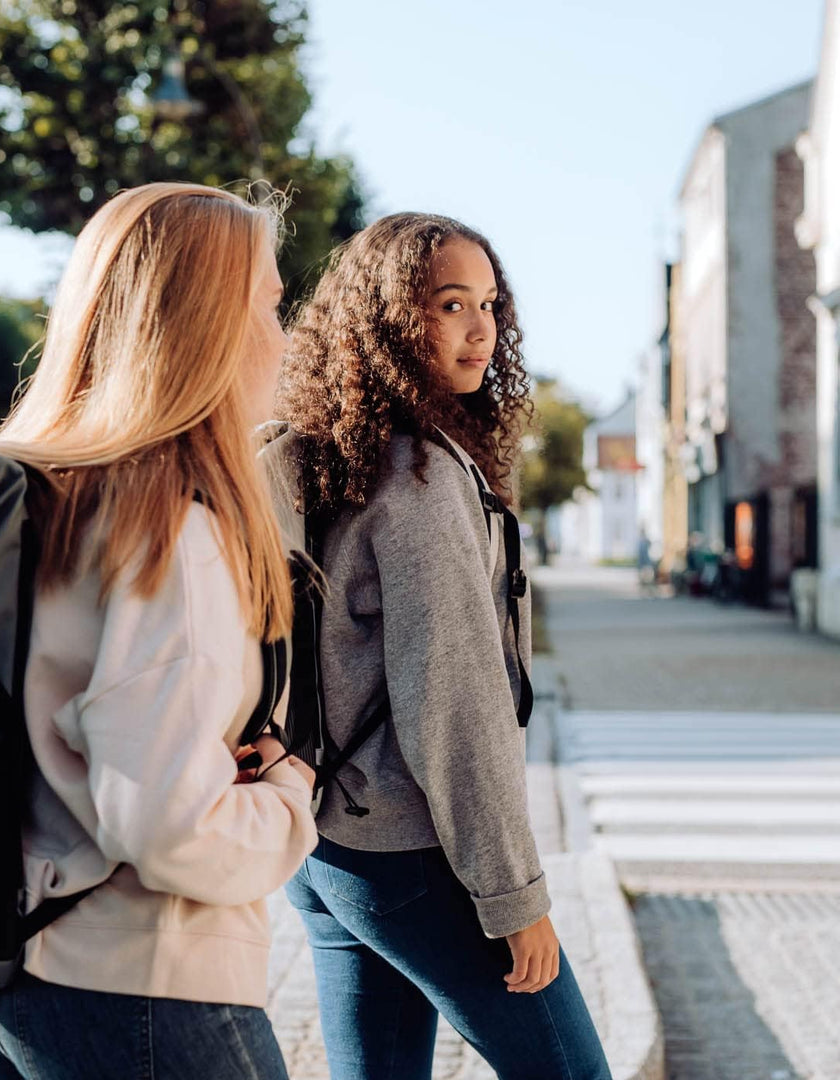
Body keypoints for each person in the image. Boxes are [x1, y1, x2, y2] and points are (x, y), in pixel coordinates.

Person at [0, 183, 318, 1080]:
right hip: (141, 988)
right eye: (271, 304)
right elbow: (167, 828)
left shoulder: (23, 498)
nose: (288, 338)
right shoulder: (171, 530)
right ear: (207, 327)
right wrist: (287, 800)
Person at [273, 213, 612, 1080]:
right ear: (387, 320)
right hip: (416, 856)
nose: (479, 328)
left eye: (489, 305)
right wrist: (513, 899)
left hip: (325, 850)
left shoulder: (334, 457)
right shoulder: (419, 479)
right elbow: (454, 704)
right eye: (449, 303)